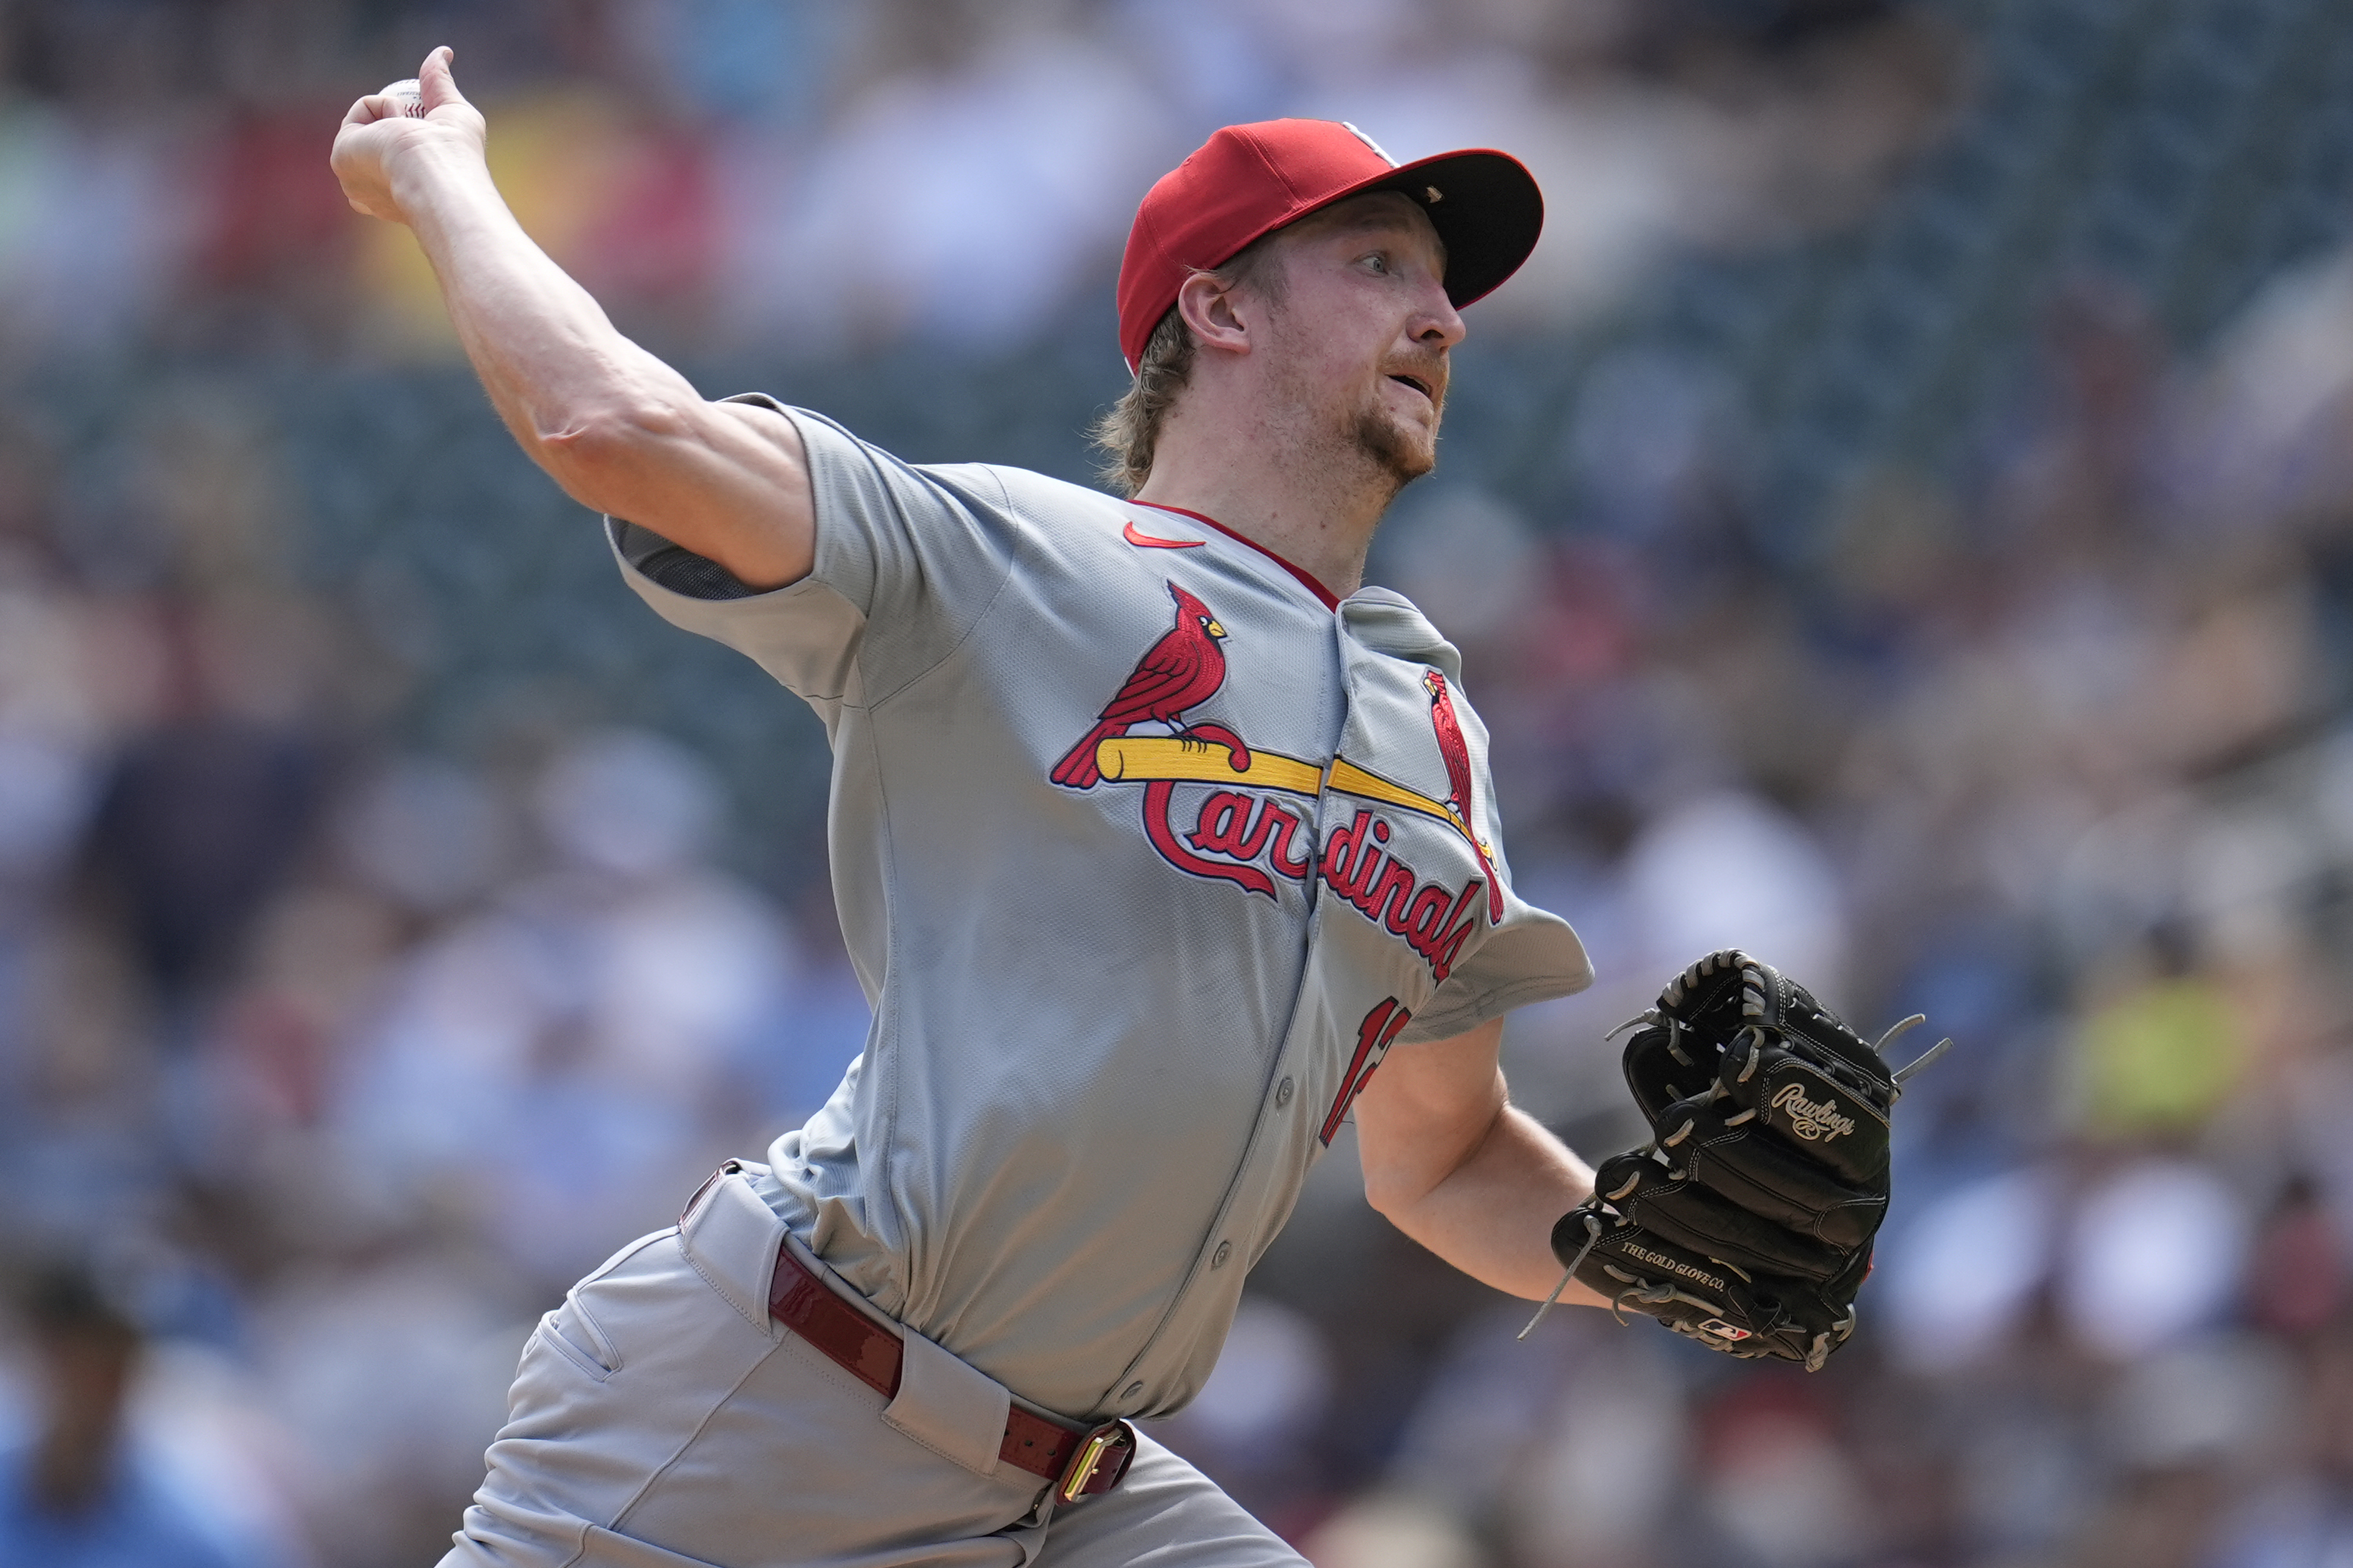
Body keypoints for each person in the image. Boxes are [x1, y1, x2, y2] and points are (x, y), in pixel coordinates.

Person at [332, 47, 1610, 1568]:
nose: (1439, 315)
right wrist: (441, 176)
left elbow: (1444, 1157)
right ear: (1217, 306)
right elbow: (615, 428)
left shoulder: (1432, 733)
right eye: (1379, 260)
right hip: (762, 1414)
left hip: (1066, 1493)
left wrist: (1655, 1255)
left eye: (1445, 285)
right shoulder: (1005, 554)